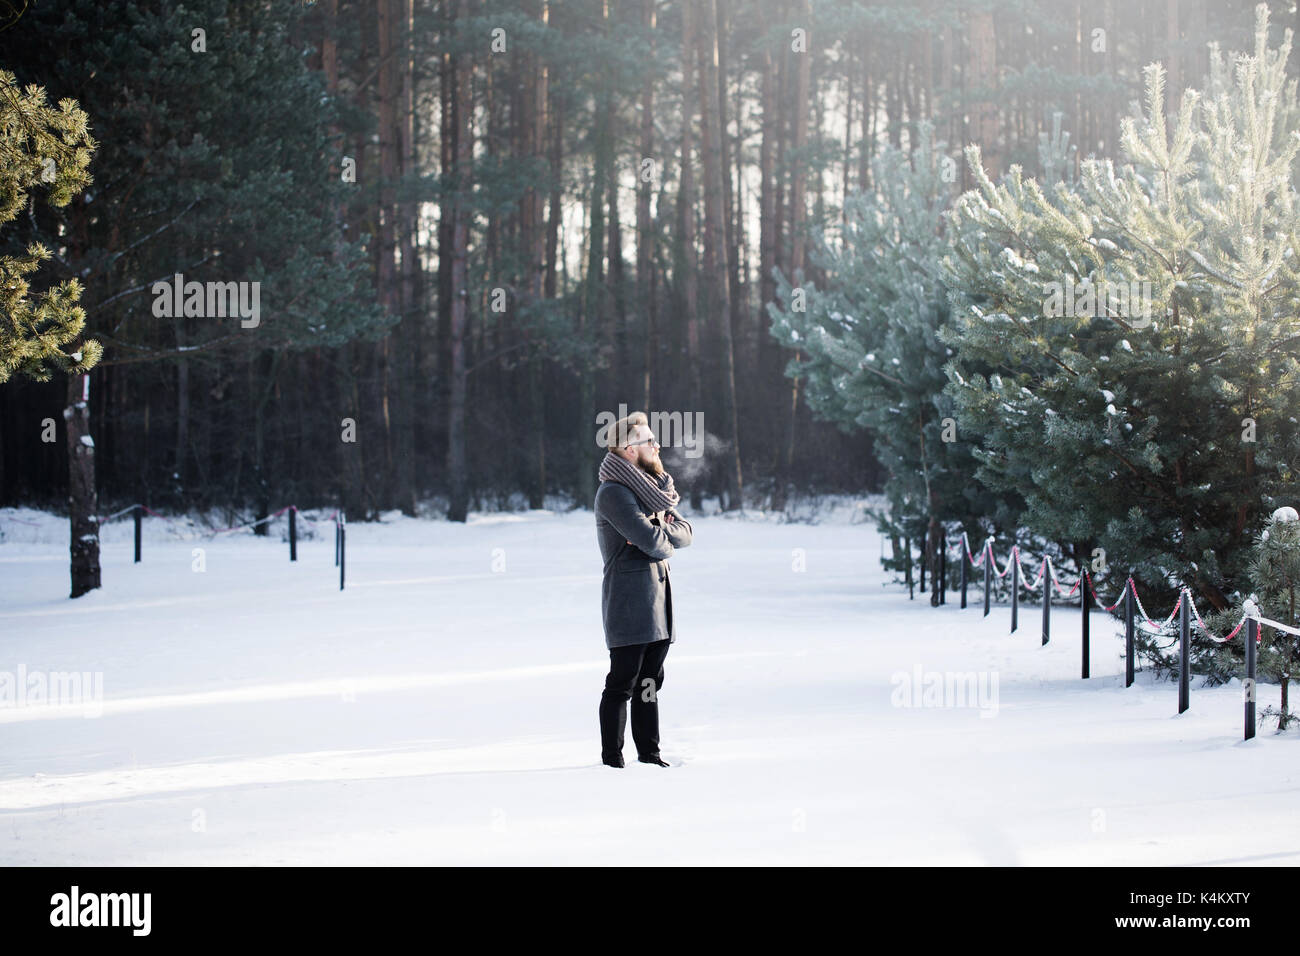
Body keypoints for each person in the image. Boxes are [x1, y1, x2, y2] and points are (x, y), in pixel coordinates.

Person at [593, 411, 693, 768]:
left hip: (659, 608)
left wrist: (659, 536)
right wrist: (659, 537)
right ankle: (612, 761)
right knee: (623, 683)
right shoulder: (615, 494)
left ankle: (650, 755)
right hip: (630, 606)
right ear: (627, 449)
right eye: (648, 440)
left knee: (650, 684)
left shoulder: (652, 491)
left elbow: (685, 532)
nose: (656, 445)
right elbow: (656, 542)